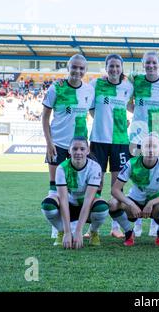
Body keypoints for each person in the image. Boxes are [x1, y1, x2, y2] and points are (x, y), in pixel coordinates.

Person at [41, 54, 94, 239]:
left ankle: (76, 225)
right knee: (54, 187)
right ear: (68, 68)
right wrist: (49, 143)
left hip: (79, 147)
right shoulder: (57, 88)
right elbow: (45, 117)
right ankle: (58, 229)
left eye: (81, 68)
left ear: (85, 71)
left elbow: (96, 113)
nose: (77, 71)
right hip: (58, 145)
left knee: (77, 186)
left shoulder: (89, 90)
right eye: (74, 67)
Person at [128, 50, 159, 237]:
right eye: (147, 63)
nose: (150, 66)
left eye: (154, 63)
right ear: (142, 64)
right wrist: (139, 114)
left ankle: (156, 222)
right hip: (137, 137)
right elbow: (128, 103)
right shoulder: (136, 81)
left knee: (158, 177)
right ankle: (137, 220)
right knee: (137, 177)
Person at [88, 54, 134, 239]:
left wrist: (123, 122)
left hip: (121, 142)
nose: (114, 69)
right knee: (96, 184)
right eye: (111, 66)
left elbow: (131, 107)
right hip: (99, 140)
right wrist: (102, 122)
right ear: (106, 68)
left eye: (117, 66)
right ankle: (93, 228)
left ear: (122, 68)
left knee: (117, 185)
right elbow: (91, 108)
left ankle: (116, 227)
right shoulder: (95, 84)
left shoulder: (128, 87)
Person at [40, 136, 109, 248]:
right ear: (69, 150)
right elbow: (63, 199)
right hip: (69, 204)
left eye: (82, 149)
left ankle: (93, 231)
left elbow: (88, 200)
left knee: (102, 207)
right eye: (75, 149)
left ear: (88, 151)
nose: (78, 152)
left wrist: (78, 231)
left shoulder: (95, 167)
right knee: (47, 204)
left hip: (86, 205)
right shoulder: (62, 168)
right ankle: (61, 231)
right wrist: (68, 232)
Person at [109, 133, 159, 246]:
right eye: (147, 146)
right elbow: (115, 190)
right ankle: (128, 232)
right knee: (112, 203)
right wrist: (131, 204)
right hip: (134, 203)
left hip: (155, 206)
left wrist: (151, 202)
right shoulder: (132, 163)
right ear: (141, 149)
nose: (150, 150)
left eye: (154, 146)